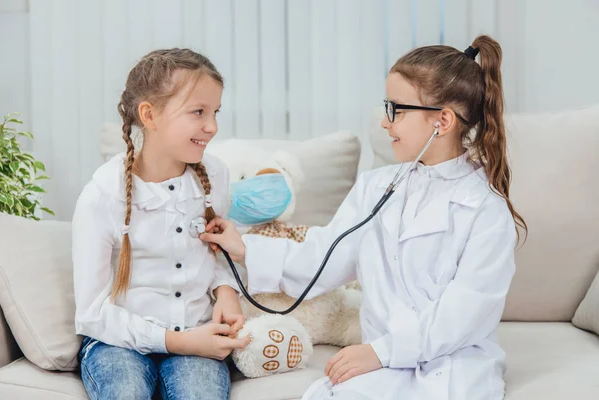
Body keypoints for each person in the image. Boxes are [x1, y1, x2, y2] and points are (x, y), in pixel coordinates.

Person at [199, 35, 526, 400]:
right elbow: (325, 257)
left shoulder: (486, 210)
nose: (386, 123)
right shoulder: (376, 188)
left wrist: (380, 352)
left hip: (454, 366)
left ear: (443, 121)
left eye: (396, 110)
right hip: (382, 363)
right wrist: (244, 248)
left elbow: (465, 314)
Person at [72, 48, 250, 400]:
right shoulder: (101, 196)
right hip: (116, 342)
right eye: (198, 112)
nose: (212, 126)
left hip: (198, 332)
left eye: (215, 112)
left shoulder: (215, 175)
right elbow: (90, 314)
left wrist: (227, 292)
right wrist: (178, 341)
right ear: (149, 115)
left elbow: (219, 253)